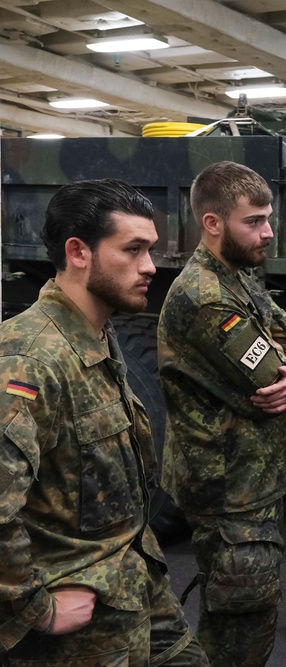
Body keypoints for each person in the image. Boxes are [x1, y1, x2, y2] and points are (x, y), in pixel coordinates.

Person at [0, 180, 207, 665]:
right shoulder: (30, 360)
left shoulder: (97, 335)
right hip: (78, 624)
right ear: (78, 252)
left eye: (150, 250)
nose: (150, 267)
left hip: (135, 591)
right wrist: (35, 609)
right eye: (132, 250)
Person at [157, 161, 286, 666]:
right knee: (239, 620)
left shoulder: (240, 278)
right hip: (229, 490)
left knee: (253, 605)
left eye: (269, 218)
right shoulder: (205, 297)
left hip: (250, 480)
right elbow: (271, 377)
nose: (268, 232)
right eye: (254, 221)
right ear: (213, 223)